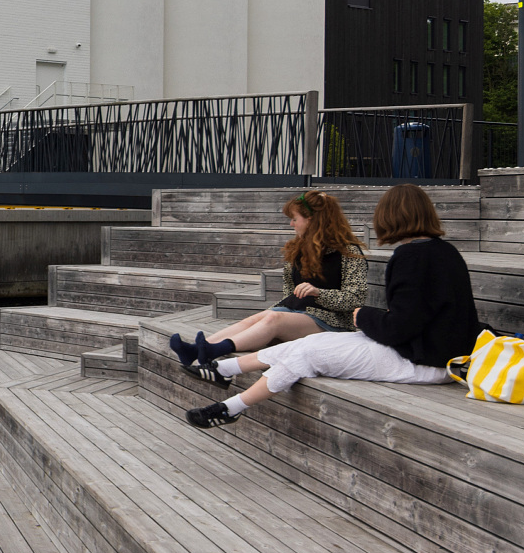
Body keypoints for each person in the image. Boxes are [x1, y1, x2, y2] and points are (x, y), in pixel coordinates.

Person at [183, 183, 480, 430]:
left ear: (390, 217)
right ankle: (224, 368)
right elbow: (416, 318)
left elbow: (400, 327)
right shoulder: (446, 251)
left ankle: (231, 407)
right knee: (314, 342)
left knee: (310, 353)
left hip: (424, 362)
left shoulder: (411, 257)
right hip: (435, 353)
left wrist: (363, 315)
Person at [167, 189, 367, 369]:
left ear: (313, 220)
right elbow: (289, 293)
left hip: (334, 324)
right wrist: (275, 311)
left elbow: (355, 299)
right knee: (257, 318)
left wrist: (318, 293)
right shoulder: (297, 249)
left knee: (273, 318)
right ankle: (195, 350)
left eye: (295, 219)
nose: (291, 224)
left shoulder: (348, 252)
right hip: (298, 316)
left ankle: (213, 351)